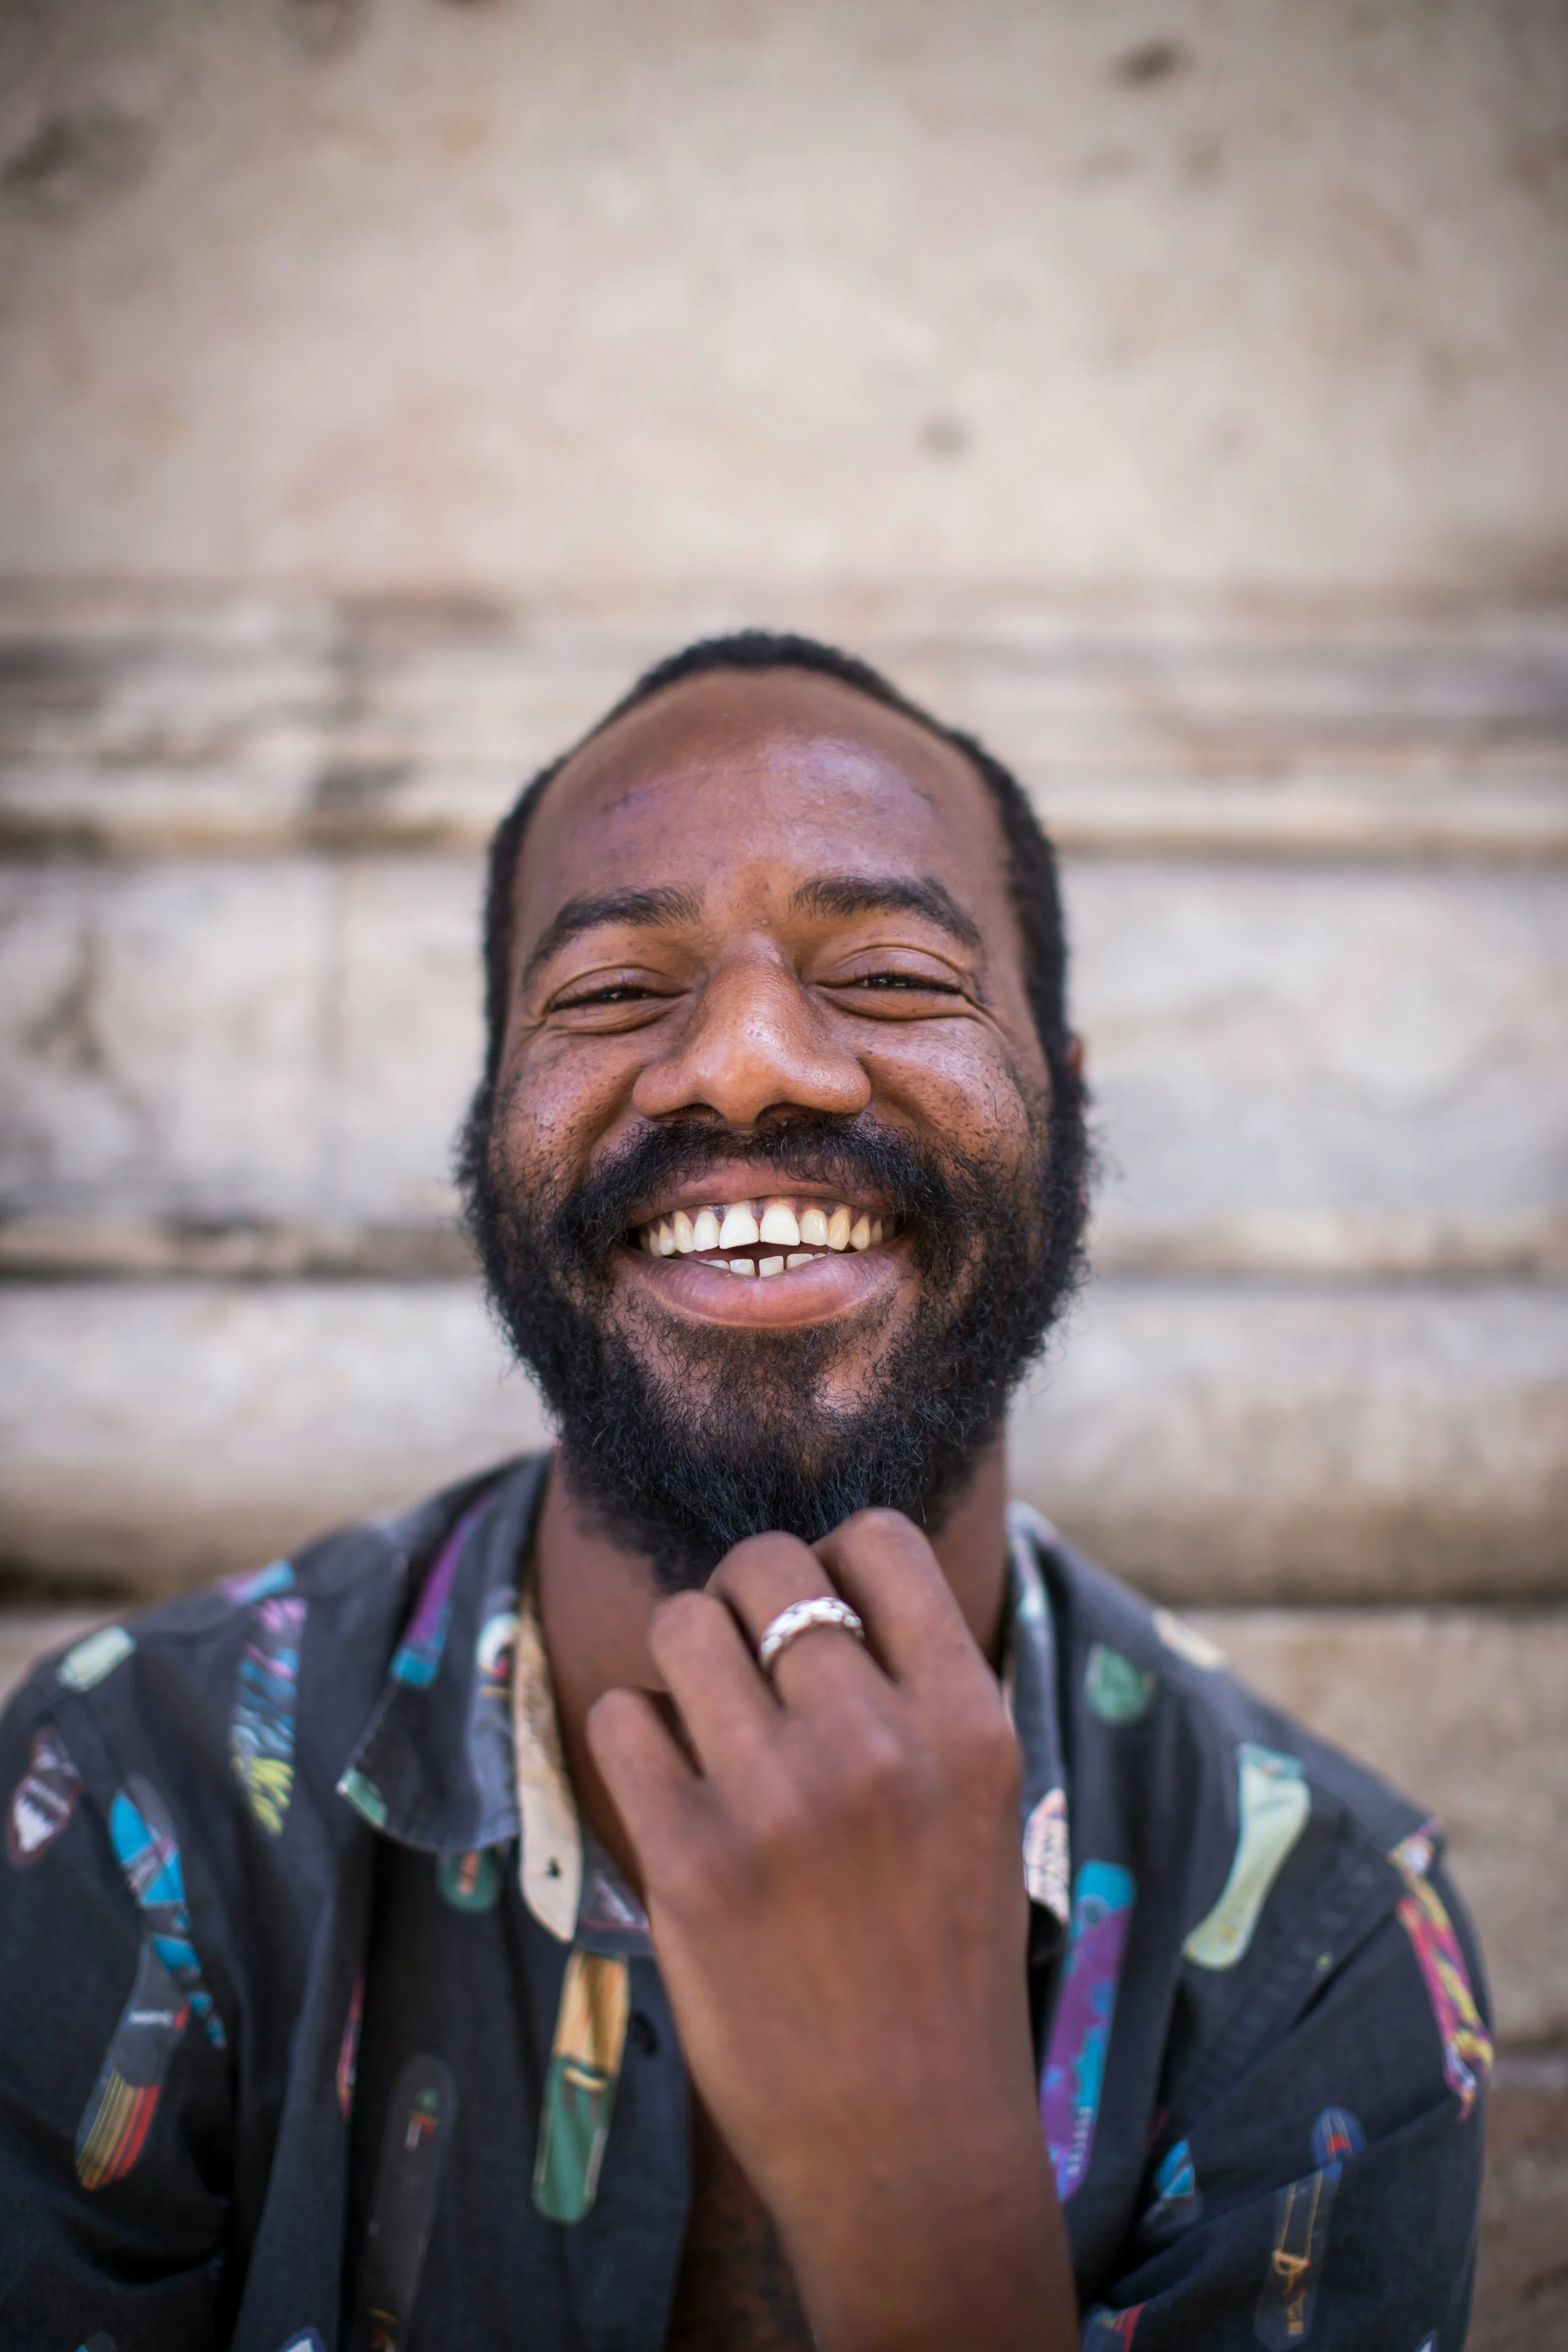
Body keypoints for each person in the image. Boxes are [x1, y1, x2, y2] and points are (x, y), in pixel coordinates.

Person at [0, 633, 1490, 2351]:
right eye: (615, 991)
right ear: (494, 1126)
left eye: (894, 973)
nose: (748, 1059)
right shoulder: (131, 1814)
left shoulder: (1314, 1948)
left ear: (1065, 1108)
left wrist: (924, 2202)